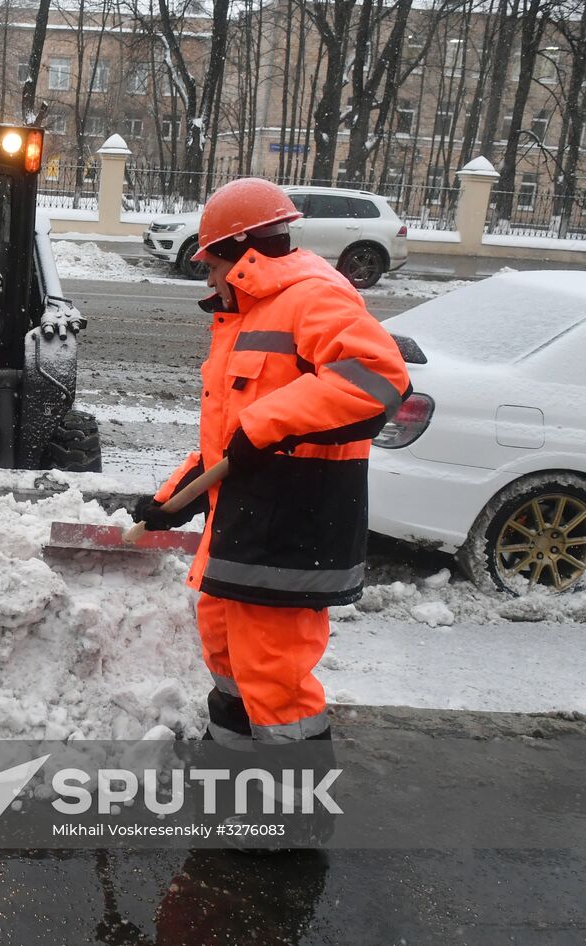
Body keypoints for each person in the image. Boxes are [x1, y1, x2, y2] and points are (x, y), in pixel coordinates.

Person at [134, 178, 409, 832]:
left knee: (275, 680)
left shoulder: (311, 298)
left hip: (295, 528)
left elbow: (378, 379)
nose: (209, 274)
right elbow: (233, 440)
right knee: (231, 661)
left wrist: (267, 425)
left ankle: (290, 820)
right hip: (246, 528)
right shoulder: (248, 314)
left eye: (212, 260)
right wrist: (172, 501)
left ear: (242, 251)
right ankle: (232, 791)